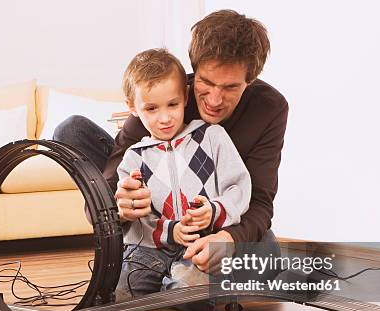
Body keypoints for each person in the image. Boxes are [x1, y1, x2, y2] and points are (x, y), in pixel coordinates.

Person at [53, 9, 288, 283]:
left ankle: (176, 277)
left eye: (230, 88)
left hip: (219, 221)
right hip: (157, 217)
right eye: (206, 82)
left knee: (267, 254)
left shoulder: (269, 108)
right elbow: (103, 196)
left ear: (250, 81)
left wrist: (228, 239)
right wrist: (120, 207)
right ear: (194, 72)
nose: (214, 99)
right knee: (72, 131)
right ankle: (154, 260)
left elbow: (259, 201)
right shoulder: (165, 100)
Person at [114, 48, 251, 300]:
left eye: (173, 104)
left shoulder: (212, 137)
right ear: (132, 107)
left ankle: (176, 288)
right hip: (152, 249)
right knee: (122, 289)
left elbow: (239, 187)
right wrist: (170, 231)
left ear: (185, 96)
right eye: (151, 109)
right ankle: (168, 285)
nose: (165, 118)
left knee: (192, 291)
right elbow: (137, 218)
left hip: (200, 245)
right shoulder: (134, 156)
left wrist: (214, 210)